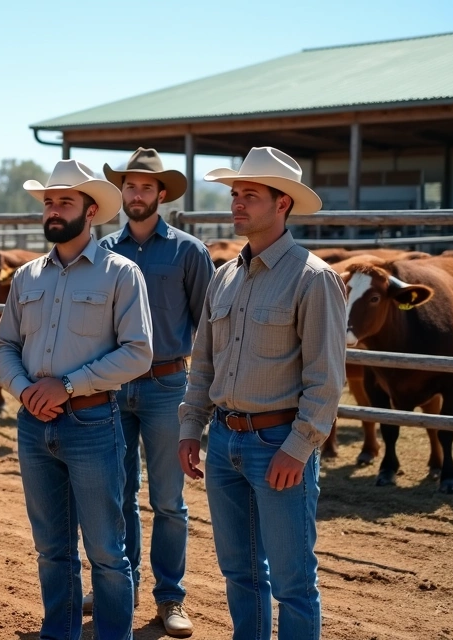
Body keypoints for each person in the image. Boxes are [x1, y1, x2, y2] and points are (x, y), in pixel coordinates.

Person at [178, 146, 346, 640]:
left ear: (283, 204)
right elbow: (203, 361)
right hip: (225, 443)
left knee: (293, 581)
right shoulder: (224, 277)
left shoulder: (313, 279)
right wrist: (191, 427)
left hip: (278, 444)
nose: (237, 202)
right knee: (240, 573)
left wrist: (298, 448)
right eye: (235, 193)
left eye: (250, 194)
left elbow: (326, 380)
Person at [0, 159, 153, 640]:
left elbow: (139, 353)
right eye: (48, 202)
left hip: (92, 424)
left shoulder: (120, 273)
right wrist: (23, 389)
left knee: (105, 549)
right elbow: (4, 345)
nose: (54, 210)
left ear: (91, 209)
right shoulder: (27, 278)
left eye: (65, 201)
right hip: (33, 425)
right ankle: (58, 633)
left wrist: (64, 386)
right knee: (51, 548)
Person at [95, 148, 213, 637]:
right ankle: (119, 588)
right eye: (129, 186)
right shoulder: (102, 251)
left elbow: (210, 325)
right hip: (113, 386)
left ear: (161, 194)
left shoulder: (189, 251)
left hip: (168, 384)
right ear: (121, 193)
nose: (136, 194)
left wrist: (207, 396)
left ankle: (170, 597)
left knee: (168, 500)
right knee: (115, 493)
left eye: (146, 186)